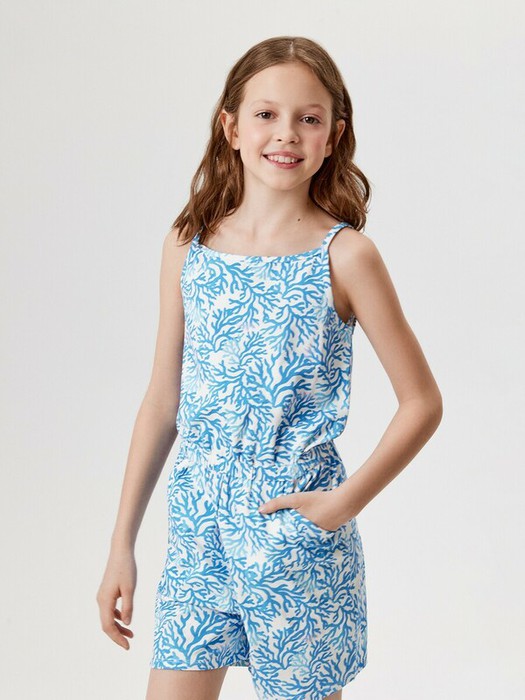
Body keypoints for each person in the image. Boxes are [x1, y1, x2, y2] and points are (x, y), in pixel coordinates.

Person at [96, 35, 443, 700]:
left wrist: (342, 504)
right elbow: (163, 401)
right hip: (198, 532)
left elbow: (422, 402)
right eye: (266, 114)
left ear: (333, 136)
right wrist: (121, 544)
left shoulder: (346, 257)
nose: (286, 134)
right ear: (231, 127)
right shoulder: (188, 246)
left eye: (308, 118)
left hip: (295, 532)